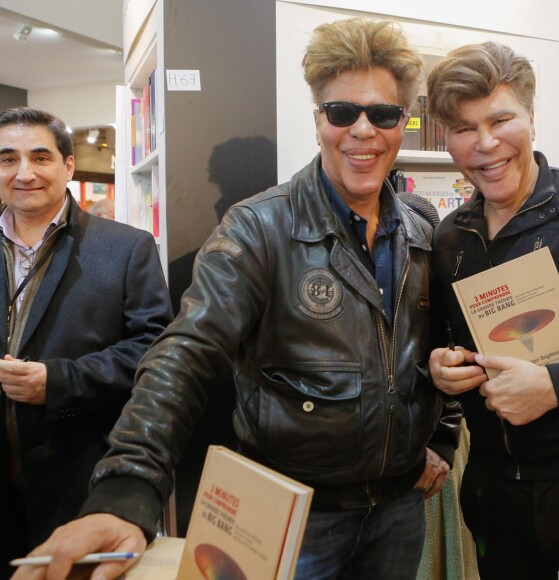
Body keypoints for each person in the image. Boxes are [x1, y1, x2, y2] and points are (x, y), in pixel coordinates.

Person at [14, 18, 462, 580]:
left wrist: (441, 437)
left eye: (384, 114)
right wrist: (128, 486)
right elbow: (186, 354)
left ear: (404, 122)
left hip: (399, 509)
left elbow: (439, 347)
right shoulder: (257, 227)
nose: (363, 131)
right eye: (343, 112)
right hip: (295, 514)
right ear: (318, 118)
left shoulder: (421, 225)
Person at [427, 42, 559, 579]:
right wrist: (442, 366)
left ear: (532, 118)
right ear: (447, 140)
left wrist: (558, 384)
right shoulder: (450, 238)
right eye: (464, 128)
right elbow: (445, 338)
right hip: (496, 491)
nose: (486, 144)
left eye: (501, 119)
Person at [0, 107, 173, 577]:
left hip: (80, 481)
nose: (24, 173)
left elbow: (154, 348)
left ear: (68, 166)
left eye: (40, 157)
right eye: (7, 159)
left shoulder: (125, 247)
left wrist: (59, 380)